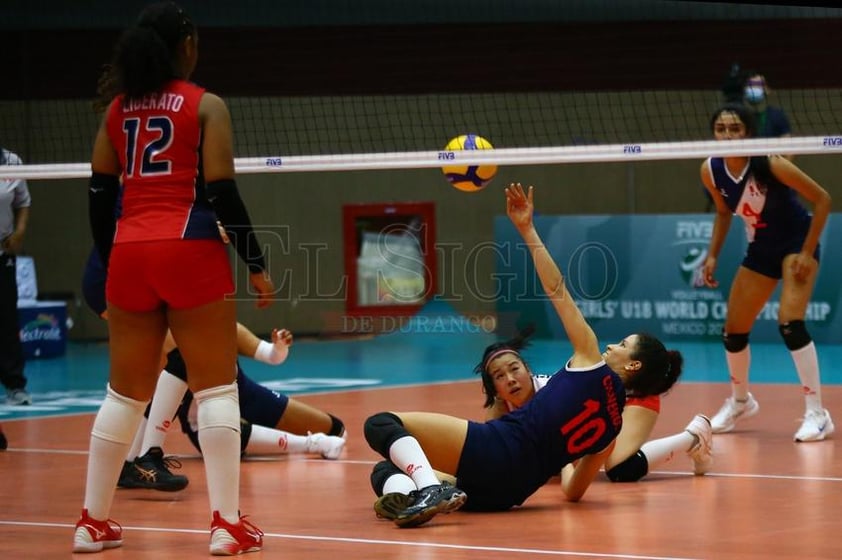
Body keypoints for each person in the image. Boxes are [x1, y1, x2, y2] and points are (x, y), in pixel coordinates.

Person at [362, 183, 684, 528]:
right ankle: (416, 495)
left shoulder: (593, 363)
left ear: (633, 364)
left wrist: (527, 229)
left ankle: (427, 490)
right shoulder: (612, 428)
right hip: (507, 494)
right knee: (388, 467)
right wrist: (561, 460)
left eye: (622, 345)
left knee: (380, 424)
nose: (611, 347)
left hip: (496, 450)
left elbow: (555, 287)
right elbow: (574, 491)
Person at [74, 2, 273, 555]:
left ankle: (92, 522)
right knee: (215, 388)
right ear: (183, 45)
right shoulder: (205, 105)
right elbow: (223, 191)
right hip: (189, 245)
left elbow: (98, 192)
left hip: (129, 250)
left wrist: (111, 257)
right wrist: (257, 264)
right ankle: (226, 525)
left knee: (123, 393)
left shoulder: (117, 111)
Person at [370, 328, 711, 521]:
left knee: (621, 467)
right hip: (511, 490)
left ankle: (691, 436)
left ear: (527, 368)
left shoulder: (561, 387)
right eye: (499, 376)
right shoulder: (502, 410)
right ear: (494, 389)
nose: (510, 379)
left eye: (514, 368)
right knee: (386, 468)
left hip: (628, 401)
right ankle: (407, 496)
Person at [81, 247, 345, 492]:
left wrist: (280, 348)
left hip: (243, 393)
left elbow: (269, 355)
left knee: (335, 427)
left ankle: (142, 457)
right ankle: (144, 455)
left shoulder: (222, 322)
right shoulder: (165, 329)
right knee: (187, 382)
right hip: (204, 415)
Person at [700, 103, 834, 442]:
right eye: (722, 129)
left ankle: (817, 414)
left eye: (735, 129)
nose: (728, 135)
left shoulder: (770, 163)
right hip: (760, 249)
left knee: (790, 323)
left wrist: (806, 252)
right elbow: (722, 213)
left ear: (747, 132)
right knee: (733, 331)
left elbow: (822, 200)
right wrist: (712, 255)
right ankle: (741, 401)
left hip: (795, 243)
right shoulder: (710, 170)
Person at [0, 145, 32, 406]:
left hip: (2, 254)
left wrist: (19, 232)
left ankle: (15, 385)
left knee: (7, 320)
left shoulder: (11, 160)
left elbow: (23, 202)